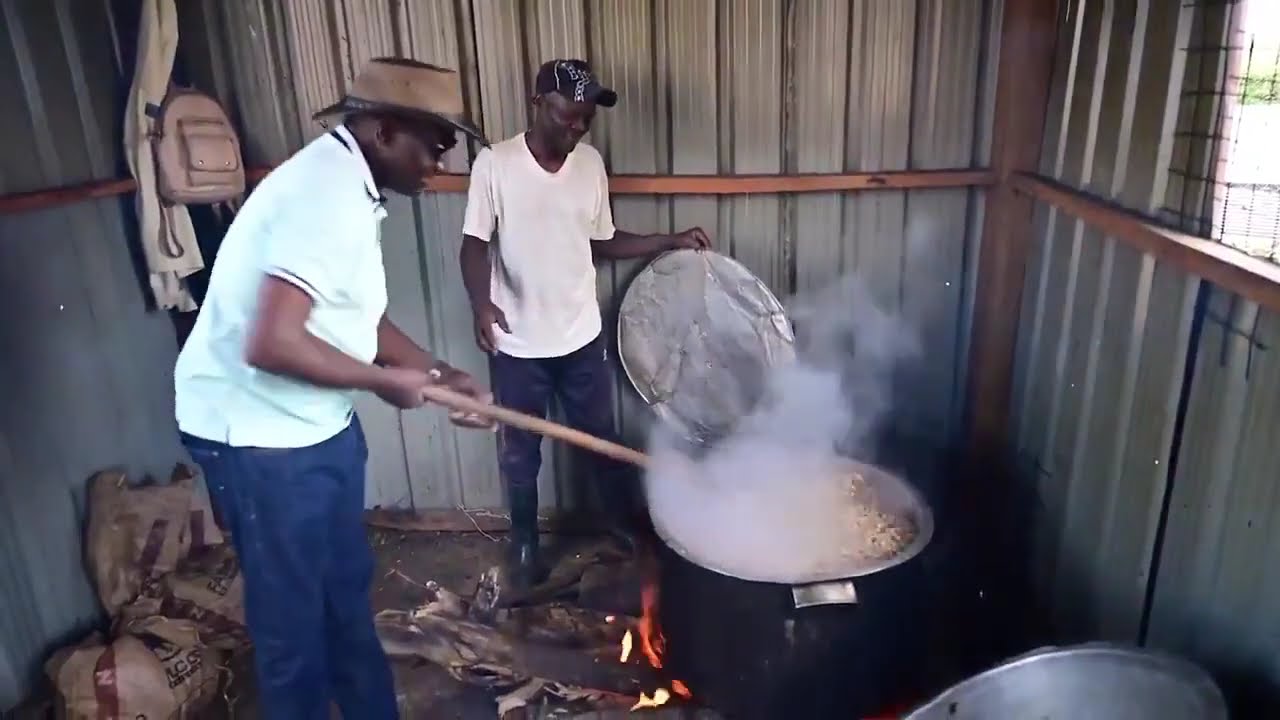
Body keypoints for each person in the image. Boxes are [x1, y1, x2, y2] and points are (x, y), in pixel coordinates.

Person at [173, 58, 491, 719]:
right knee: (294, 632)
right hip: (258, 438)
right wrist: (385, 383)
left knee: (346, 600)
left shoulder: (352, 187)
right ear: (382, 131)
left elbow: (351, 317)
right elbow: (271, 343)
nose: (439, 165)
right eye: (434, 146)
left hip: (315, 427)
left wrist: (438, 373)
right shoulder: (323, 195)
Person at [459, 58, 711, 590]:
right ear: (537, 105)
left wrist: (667, 240)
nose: (576, 128)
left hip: (580, 337)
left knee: (600, 438)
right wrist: (482, 304)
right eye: (566, 116)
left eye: (585, 120)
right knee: (520, 449)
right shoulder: (495, 164)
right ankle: (525, 543)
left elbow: (603, 240)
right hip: (518, 343)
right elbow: (474, 245)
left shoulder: (590, 164)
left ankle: (622, 529)